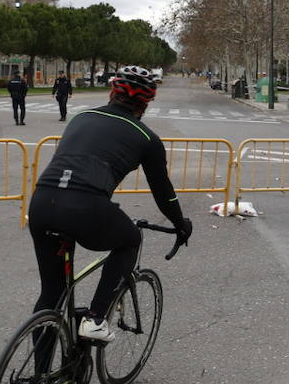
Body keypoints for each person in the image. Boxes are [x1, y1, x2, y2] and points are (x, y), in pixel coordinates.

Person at [26, 66, 193, 341]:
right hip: (85, 205)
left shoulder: (81, 117)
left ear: (112, 92)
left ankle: (41, 379)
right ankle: (95, 319)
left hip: (43, 201)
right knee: (129, 239)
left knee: (52, 293)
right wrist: (180, 223)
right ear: (146, 103)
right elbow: (164, 193)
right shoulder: (146, 138)